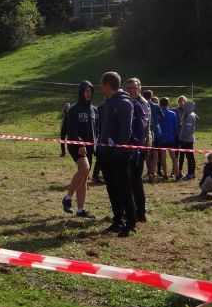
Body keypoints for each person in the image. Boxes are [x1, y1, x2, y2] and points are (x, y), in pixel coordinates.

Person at [96, 71, 136, 237]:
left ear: (107, 84)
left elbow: (126, 131)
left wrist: (117, 152)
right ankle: (117, 220)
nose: (100, 87)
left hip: (120, 155)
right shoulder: (107, 104)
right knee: (112, 189)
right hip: (105, 154)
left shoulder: (124, 103)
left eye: (101, 84)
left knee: (124, 189)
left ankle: (131, 223)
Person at [61, 81, 98, 218]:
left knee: (84, 177)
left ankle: (81, 210)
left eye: (90, 91)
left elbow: (96, 130)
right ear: (81, 92)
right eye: (86, 91)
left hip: (90, 147)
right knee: (84, 168)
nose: (88, 94)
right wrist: (80, 144)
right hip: (76, 145)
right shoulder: (74, 109)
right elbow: (71, 130)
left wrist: (96, 146)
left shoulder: (94, 110)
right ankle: (67, 198)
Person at [124, 77, 151, 223]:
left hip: (140, 146)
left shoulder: (143, 103)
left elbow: (141, 126)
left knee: (135, 179)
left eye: (134, 88)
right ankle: (132, 210)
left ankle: (140, 212)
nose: (131, 91)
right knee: (129, 180)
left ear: (139, 89)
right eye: (128, 88)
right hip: (129, 146)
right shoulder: (127, 101)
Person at [143, 90, 164, 182]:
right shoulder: (156, 106)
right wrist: (156, 119)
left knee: (147, 153)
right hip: (156, 131)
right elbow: (162, 116)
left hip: (146, 132)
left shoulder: (141, 104)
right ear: (151, 96)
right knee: (155, 153)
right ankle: (152, 172)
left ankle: (149, 171)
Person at [177, 100, 198, 180]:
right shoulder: (188, 114)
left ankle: (191, 174)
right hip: (186, 139)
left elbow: (189, 129)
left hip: (187, 140)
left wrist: (183, 137)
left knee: (190, 157)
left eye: (185, 106)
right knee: (190, 157)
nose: (184, 107)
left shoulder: (190, 116)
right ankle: (191, 173)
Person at [158, 97, 179, 179]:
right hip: (171, 138)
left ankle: (165, 174)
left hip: (162, 138)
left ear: (160, 104)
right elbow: (175, 127)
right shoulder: (173, 114)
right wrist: (174, 135)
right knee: (173, 157)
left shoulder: (159, 114)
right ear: (168, 104)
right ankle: (177, 174)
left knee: (163, 156)